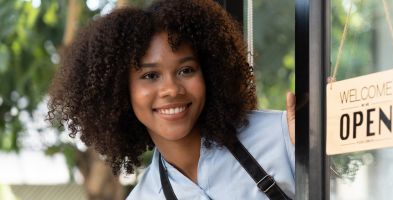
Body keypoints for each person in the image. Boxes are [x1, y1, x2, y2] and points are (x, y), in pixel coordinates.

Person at [47, 0, 296, 199]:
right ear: (121, 92)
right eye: (150, 75)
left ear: (209, 72)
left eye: (185, 70)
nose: (171, 89)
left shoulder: (284, 136)